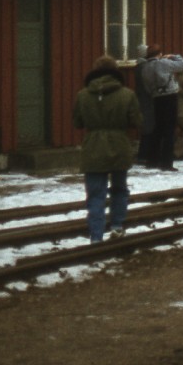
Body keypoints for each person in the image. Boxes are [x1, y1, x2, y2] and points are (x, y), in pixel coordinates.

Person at [73, 56, 141, 243]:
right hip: (119, 145)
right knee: (119, 189)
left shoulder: (82, 95)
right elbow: (136, 121)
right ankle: (117, 226)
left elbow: (77, 122)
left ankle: (96, 236)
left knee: (95, 193)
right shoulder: (127, 94)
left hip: (93, 147)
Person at [139, 45, 183, 170]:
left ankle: (152, 161)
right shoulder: (164, 63)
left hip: (156, 98)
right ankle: (167, 163)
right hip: (169, 97)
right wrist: (173, 56)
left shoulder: (144, 67)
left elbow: (147, 86)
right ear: (159, 54)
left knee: (158, 129)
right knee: (169, 130)